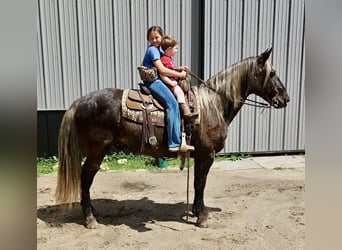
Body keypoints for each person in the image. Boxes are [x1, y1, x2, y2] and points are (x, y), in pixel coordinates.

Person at [141, 26, 194, 152]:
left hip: (158, 80)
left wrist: (178, 68)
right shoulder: (153, 50)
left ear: (162, 37)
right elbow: (162, 70)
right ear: (148, 39)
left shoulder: (159, 52)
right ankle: (174, 143)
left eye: (157, 37)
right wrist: (180, 75)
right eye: (151, 38)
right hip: (153, 82)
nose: (154, 40)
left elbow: (166, 66)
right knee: (172, 104)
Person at [159, 35, 198, 121]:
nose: (177, 50)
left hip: (172, 81)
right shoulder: (164, 60)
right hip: (169, 83)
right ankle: (186, 112)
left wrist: (180, 68)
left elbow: (171, 69)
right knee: (179, 92)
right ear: (169, 49)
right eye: (176, 48)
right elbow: (162, 74)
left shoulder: (169, 59)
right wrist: (171, 83)